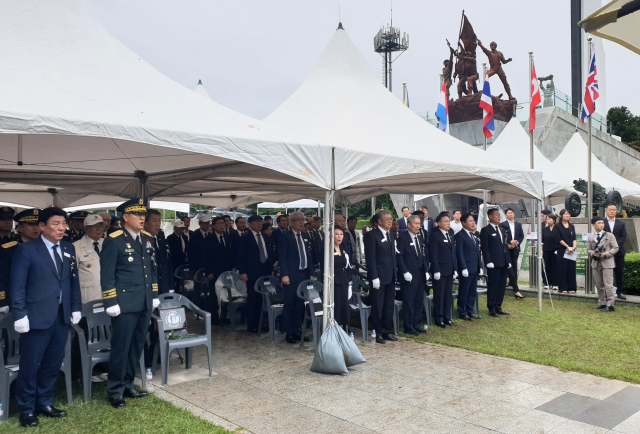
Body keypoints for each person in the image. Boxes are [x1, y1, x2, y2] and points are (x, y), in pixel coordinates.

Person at [11, 207, 82, 426]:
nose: (61, 228)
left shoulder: (68, 248)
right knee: (31, 365)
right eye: (55, 224)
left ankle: (45, 401)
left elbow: (72, 280)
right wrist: (20, 314)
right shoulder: (27, 249)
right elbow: (18, 284)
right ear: (42, 226)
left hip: (61, 316)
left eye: (63, 223)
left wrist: (75, 307)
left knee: (52, 363)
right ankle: (27, 408)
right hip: (35, 316)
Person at [101, 199, 158, 408]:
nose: (142, 218)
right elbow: (107, 274)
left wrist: (154, 295)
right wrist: (111, 301)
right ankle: (115, 390)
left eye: (143, 214)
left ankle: (128, 384)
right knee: (121, 347)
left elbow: (152, 270)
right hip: (124, 303)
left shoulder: (147, 239)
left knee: (137, 346)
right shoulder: (114, 240)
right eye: (137, 215)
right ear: (125, 217)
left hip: (144, 302)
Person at [363, 210, 398, 343]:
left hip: (390, 275)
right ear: (379, 222)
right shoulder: (372, 235)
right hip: (378, 276)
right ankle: (377, 332)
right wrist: (374, 276)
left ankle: (386, 331)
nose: (390, 221)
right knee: (378, 305)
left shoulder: (392, 235)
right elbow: (371, 258)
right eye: (387, 219)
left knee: (389, 304)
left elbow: (393, 255)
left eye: (391, 218)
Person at [278, 212, 312, 344]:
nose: (301, 222)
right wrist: (284, 274)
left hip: (303, 274)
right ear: (291, 222)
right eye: (298, 220)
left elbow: (308, 256)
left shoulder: (305, 235)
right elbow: (282, 257)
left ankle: (297, 330)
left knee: (300, 305)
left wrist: (310, 274)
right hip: (291, 275)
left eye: (302, 220)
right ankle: (289, 332)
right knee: (289, 304)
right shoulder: (285, 237)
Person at [0, 209, 42, 314]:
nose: (35, 228)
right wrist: (2, 301)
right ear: (20, 228)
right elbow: (2, 278)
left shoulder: (48, 248)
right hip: (18, 300)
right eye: (30, 224)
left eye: (38, 224)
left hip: (42, 300)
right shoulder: (9, 249)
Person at [238, 215, 273, 332]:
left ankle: (259, 323)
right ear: (250, 224)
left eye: (260, 222)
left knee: (261, 298)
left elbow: (268, 254)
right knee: (253, 298)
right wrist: (242, 272)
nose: (259, 224)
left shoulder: (264, 236)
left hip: (264, 271)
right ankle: (252, 324)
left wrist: (271, 269)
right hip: (251, 272)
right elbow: (241, 257)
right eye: (257, 222)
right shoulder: (245, 238)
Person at [396, 215, 429, 335]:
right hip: (409, 275)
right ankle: (408, 326)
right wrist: (404, 272)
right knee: (409, 302)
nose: (418, 226)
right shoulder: (402, 238)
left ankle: (416, 324)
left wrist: (426, 271)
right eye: (415, 223)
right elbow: (399, 256)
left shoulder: (419, 238)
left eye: (419, 223)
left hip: (420, 274)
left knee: (419, 301)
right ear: (408, 225)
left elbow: (422, 255)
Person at [428, 212, 457, 328]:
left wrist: (455, 269)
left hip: (449, 269)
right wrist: (435, 270)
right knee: (439, 295)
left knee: (447, 295)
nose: (448, 223)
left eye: (449, 221)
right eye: (445, 221)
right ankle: (439, 318)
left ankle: (447, 317)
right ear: (439, 223)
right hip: (440, 270)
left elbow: (453, 253)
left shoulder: (450, 234)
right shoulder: (435, 236)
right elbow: (433, 255)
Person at [481, 208, 511, 317]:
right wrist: (488, 261)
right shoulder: (486, 230)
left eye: (499, 215)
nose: (499, 217)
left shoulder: (502, 229)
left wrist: (508, 260)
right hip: (493, 262)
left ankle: (498, 305)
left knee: (502, 285)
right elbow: (485, 248)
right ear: (490, 217)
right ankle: (491, 307)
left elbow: (505, 246)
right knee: (493, 285)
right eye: (496, 215)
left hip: (503, 261)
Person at [587, 217, 619, 312]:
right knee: (598, 284)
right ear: (594, 225)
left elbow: (616, 248)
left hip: (607, 262)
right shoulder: (591, 237)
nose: (601, 224)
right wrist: (591, 253)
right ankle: (602, 303)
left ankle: (610, 304)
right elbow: (588, 249)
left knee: (608, 284)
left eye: (602, 223)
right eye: (599, 223)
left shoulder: (610, 236)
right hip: (596, 263)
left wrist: (606, 254)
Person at [455, 213, 483, 321]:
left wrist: (480, 266)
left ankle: (470, 310)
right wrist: (463, 267)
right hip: (466, 268)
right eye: (470, 221)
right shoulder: (460, 235)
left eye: (473, 221)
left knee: (472, 291)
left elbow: (477, 252)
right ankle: (462, 311)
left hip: (474, 267)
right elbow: (460, 252)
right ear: (463, 223)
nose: (473, 223)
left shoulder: (474, 235)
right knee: (464, 290)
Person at [204, 217, 232, 318]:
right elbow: (206, 256)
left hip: (226, 270)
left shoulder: (228, 237)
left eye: (223, 223)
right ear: (214, 226)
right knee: (214, 293)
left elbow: (231, 254)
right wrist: (209, 271)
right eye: (219, 223)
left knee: (225, 293)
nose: (221, 225)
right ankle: (214, 316)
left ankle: (224, 316)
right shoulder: (209, 239)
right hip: (214, 270)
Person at [74, 214, 105, 303]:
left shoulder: (108, 243)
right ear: (86, 229)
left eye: (101, 226)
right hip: (87, 297)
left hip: (107, 296)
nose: (99, 229)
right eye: (95, 226)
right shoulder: (76, 247)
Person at [145, 210, 173, 295]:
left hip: (163, 286)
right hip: (149, 288)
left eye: (159, 220)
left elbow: (168, 264)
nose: (158, 224)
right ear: (145, 223)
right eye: (154, 220)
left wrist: (171, 286)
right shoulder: (141, 241)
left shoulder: (162, 240)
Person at [500, 208, 525, 299]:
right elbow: (502, 237)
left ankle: (513, 281)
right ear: (506, 215)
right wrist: (509, 242)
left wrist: (517, 242)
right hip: (507, 248)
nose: (510, 215)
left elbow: (522, 235)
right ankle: (512, 285)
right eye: (508, 213)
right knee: (508, 265)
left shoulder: (518, 225)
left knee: (514, 265)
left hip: (515, 248)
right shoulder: (502, 225)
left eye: (512, 213)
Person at [603, 204, 627, 300]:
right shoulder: (602, 222)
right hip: (606, 252)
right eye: (610, 210)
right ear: (606, 211)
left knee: (619, 272)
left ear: (617, 211)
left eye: (614, 210)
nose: (612, 211)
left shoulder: (621, 223)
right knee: (607, 273)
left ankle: (620, 291)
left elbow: (623, 236)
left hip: (619, 252)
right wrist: (608, 248)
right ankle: (606, 292)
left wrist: (615, 247)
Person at [333, 227, 354, 328]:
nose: (339, 237)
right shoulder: (328, 250)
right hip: (335, 282)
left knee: (344, 307)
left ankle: (342, 329)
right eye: (336, 234)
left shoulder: (343, 249)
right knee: (337, 307)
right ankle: (335, 329)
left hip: (344, 281)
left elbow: (348, 266)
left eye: (341, 234)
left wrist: (349, 280)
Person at [556, 209, 577, 294]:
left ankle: (571, 287)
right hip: (562, 249)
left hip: (571, 250)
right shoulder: (557, 226)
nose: (567, 215)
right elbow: (558, 238)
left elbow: (574, 238)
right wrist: (567, 246)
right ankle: (563, 287)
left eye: (568, 214)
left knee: (571, 268)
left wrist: (574, 247)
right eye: (565, 214)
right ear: (561, 216)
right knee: (562, 268)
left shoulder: (572, 226)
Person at [541, 214, 559, 289]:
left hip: (555, 251)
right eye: (547, 219)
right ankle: (546, 283)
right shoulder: (544, 229)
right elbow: (542, 241)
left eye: (550, 219)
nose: (548, 221)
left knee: (555, 267)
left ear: (554, 220)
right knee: (546, 267)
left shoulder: (557, 228)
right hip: (546, 250)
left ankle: (555, 283)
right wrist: (542, 250)